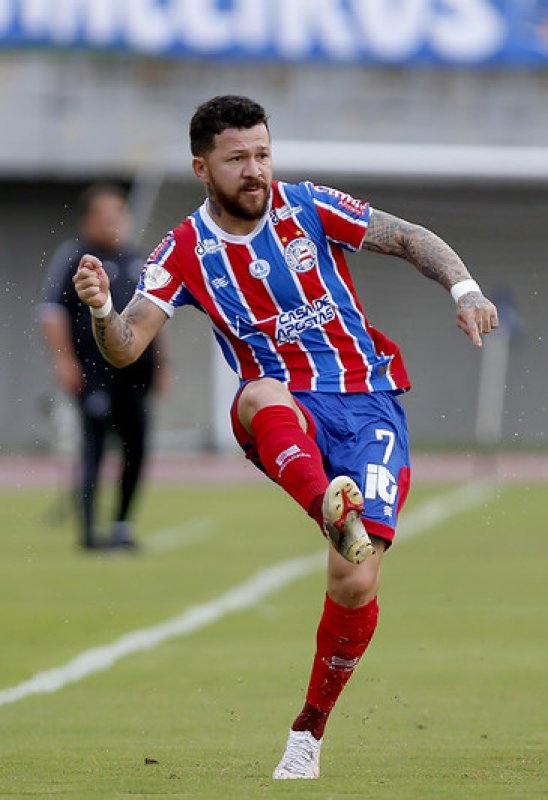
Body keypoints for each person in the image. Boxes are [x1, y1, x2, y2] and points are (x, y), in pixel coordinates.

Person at [72, 95, 499, 779]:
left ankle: (309, 730)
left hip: (368, 407)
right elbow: (125, 346)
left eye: (263, 154)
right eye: (237, 158)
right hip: (282, 412)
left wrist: (465, 289)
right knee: (258, 391)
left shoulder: (308, 206)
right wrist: (100, 310)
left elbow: (407, 237)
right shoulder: (183, 250)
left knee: (354, 580)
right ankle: (327, 502)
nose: (255, 169)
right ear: (202, 168)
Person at [38, 183, 168, 550]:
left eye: (119, 213)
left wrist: (161, 363)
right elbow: (52, 313)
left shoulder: (137, 259)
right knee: (94, 447)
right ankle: (89, 531)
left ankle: (122, 525)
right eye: (105, 214)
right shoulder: (76, 259)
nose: (114, 221)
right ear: (88, 219)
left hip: (137, 372)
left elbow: (155, 315)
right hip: (94, 373)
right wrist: (64, 360)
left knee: (136, 447)